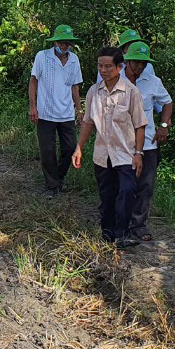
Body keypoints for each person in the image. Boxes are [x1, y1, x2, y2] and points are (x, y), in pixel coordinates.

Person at [72, 46, 148, 248]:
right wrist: (79, 147)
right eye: (100, 66)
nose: (103, 70)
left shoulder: (131, 92)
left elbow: (140, 125)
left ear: (119, 67)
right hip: (102, 155)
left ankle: (122, 233)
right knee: (107, 196)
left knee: (126, 191)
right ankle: (107, 235)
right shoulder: (94, 92)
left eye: (108, 66)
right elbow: (88, 122)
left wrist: (139, 153)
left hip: (125, 154)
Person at [123, 42, 173, 243]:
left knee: (145, 185)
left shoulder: (152, 81)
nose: (140, 67)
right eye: (136, 62)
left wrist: (163, 125)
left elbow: (167, 102)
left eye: (143, 63)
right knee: (123, 185)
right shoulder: (116, 80)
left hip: (148, 143)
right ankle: (119, 223)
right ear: (127, 60)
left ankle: (139, 223)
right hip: (121, 142)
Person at [29, 24, 84, 198]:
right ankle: (51, 185)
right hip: (45, 112)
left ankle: (59, 177)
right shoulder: (42, 56)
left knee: (69, 148)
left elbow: (75, 88)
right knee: (47, 150)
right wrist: (33, 106)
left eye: (67, 43)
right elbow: (33, 81)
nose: (63, 46)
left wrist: (79, 110)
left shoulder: (74, 60)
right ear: (55, 42)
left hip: (66, 113)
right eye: (61, 43)